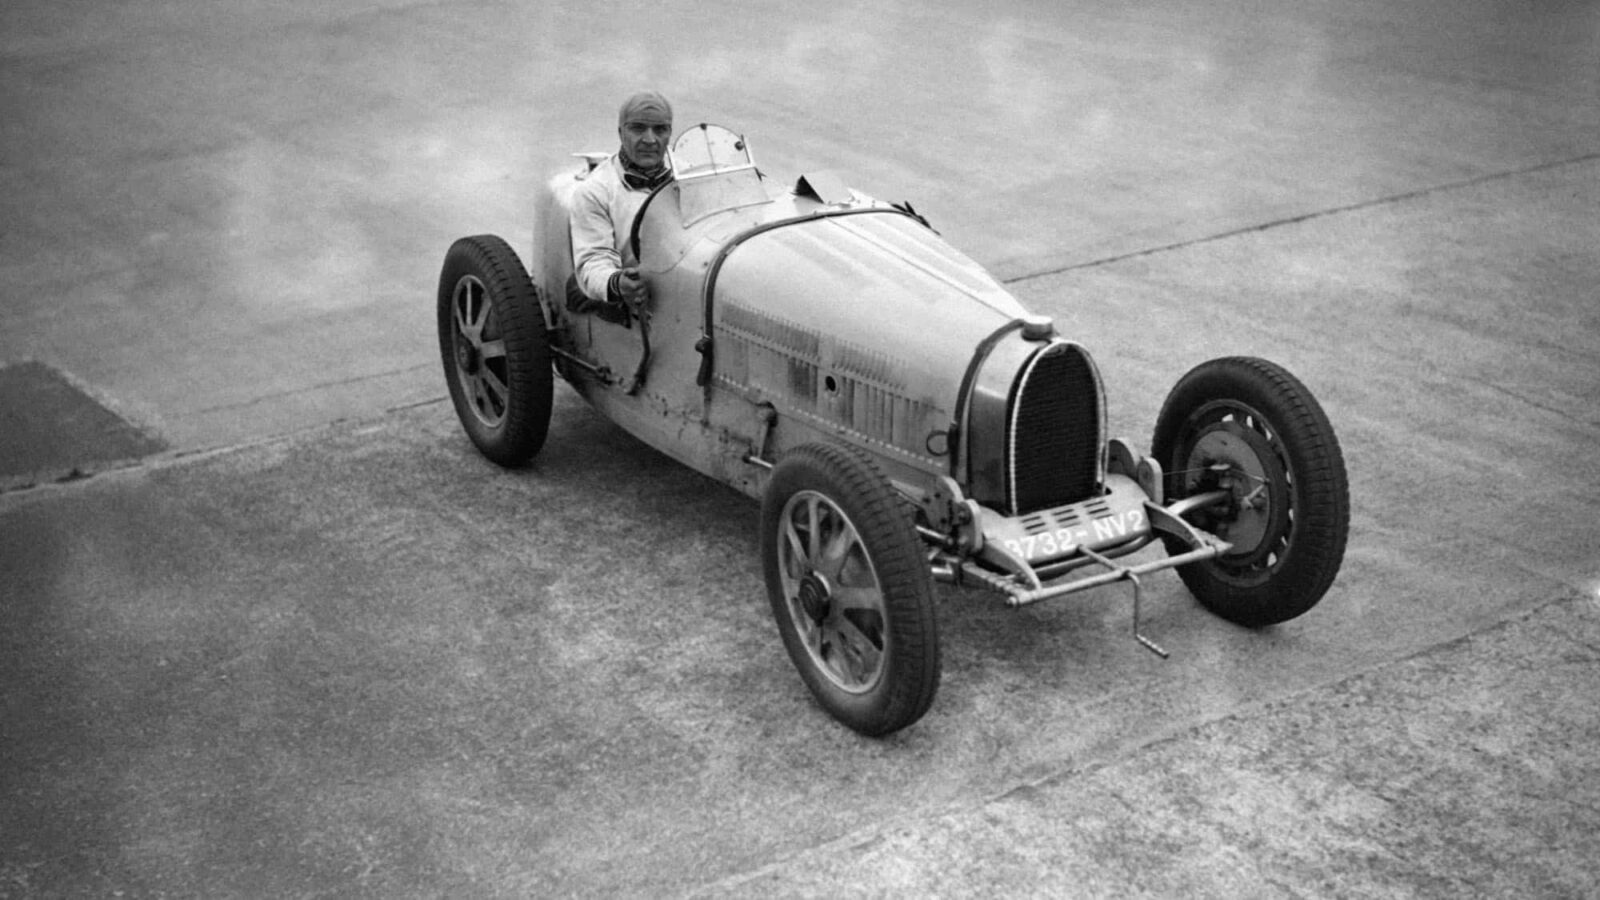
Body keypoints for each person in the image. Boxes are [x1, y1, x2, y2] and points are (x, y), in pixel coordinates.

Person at [567, 91, 675, 324]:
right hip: (646, 309)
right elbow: (593, 261)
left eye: (660, 129)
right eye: (638, 128)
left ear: (670, 133)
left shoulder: (691, 172)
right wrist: (618, 283)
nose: (650, 140)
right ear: (620, 132)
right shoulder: (595, 192)